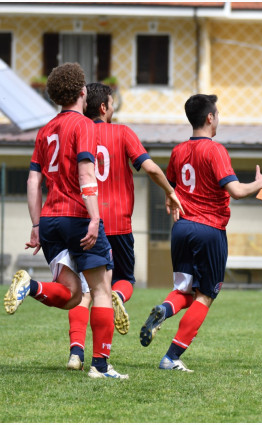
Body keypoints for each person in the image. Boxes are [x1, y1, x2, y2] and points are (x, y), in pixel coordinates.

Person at [3, 63, 127, 379]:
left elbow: (33, 182)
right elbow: (86, 173)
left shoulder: (44, 131)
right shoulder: (84, 125)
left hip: (49, 221)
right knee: (101, 289)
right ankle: (100, 366)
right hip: (77, 216)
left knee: (72, 294)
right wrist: (96, 216)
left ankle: (30, 285)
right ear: (83, 93)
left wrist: (35, 226)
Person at [138, 94, 262, 372]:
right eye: (217, 114)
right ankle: (171, 357)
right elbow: (236, 191)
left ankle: (165, 308)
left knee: (184, 289)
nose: (218, 119)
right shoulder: (215, 151)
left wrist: (170, 201)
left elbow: (170, 190)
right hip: (209, 229)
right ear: (209, 118)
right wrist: (259, 183)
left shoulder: (178, 151)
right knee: (206, 295)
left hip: (182, 228)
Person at [65, 82, 184, 371]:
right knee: (124, 281)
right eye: (113, 102)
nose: (115, 107)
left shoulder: (78, 133)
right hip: (117, 225)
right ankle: (117, 297)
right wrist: (170, 191)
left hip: (84, 222)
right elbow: (152, 168)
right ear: (104, 108)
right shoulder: (122, 132)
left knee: (85, 291)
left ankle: (76, 353)